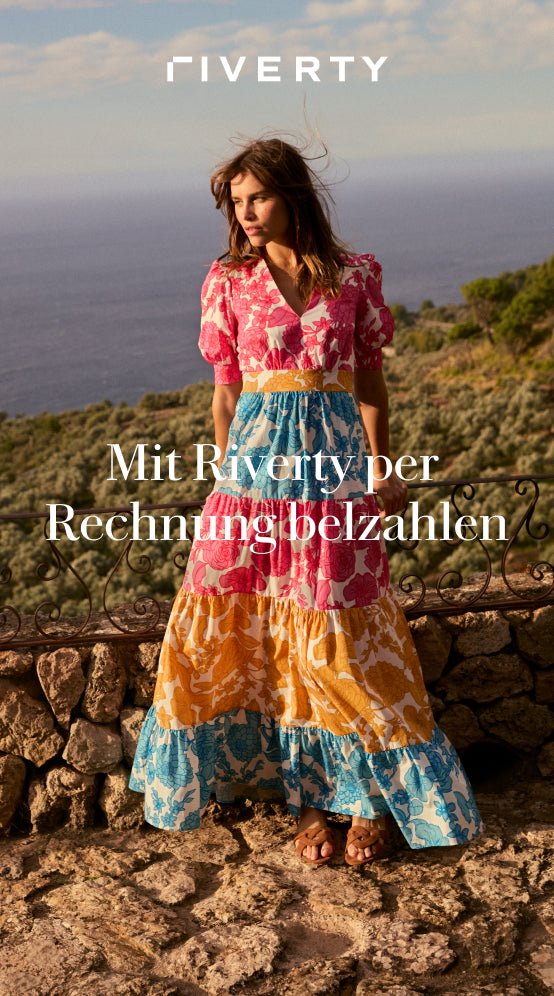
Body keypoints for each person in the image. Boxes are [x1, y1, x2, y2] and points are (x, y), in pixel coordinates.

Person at [129, 136, 483, 866]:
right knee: (251, 631)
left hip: (332, 480)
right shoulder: (227, 282)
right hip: (252, 484)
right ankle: (312, 800)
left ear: (292, 194)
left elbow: (371, 386)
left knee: (343, 642)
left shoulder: (355, 277)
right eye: (236, 202)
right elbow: (226, 393)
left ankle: (370, 801)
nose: (247, 213)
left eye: (258, 197)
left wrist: (384, 468)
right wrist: (228, 475)